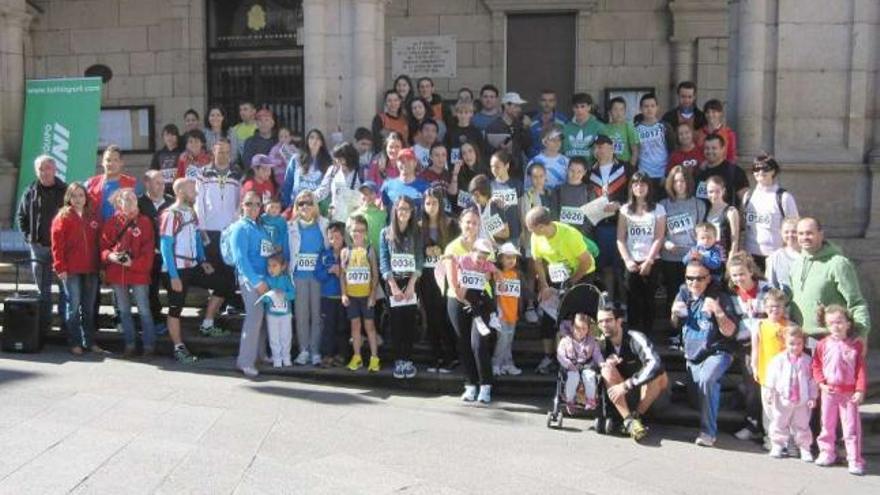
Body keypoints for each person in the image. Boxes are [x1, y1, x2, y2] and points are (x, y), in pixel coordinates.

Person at [671, 259, 739, 447]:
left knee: (707, 380)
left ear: (709, 279)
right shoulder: (683, 293)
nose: (694, 283)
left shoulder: (720, 297)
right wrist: (674, 313)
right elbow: (674, 323)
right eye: (689, 278)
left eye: (699, 278)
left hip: (718, 351)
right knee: (697, 400)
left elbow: (731, 332)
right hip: (693, 354)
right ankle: (735, 397)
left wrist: (718, 312)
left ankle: (708, 432)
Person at [526, 206, 595, 374]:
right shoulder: (536, 237)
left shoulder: (570, 235)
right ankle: (548, 357)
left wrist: (571, 283)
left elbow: (586, 262)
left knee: (576, 317)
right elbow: (538, 262)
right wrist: (544, 286)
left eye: (533, 229)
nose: (531, 233)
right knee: (548, 317)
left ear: (542, 226)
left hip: (581, 275)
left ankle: (580, 358)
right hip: (556, 277)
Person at [789, 217, 870, 347]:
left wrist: (861, 334)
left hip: (831, 340)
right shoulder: (796, 264)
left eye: (809, 233)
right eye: (801, 233)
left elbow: (856, 302)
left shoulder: (838, 263)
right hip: (801, 341)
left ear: (821, 234)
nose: (805, 237)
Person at [158, 178, 212, 363]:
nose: (196, 194)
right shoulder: (170, 214)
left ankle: (208, 324)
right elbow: (165, 246)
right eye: (192, 190)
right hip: (176, 269)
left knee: (222, 284)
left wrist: (202, 259)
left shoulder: (190, 212)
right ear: (180, 192)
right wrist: (173, 276)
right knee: (176, 308)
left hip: (192, 266)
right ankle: (178, 347)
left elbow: (196, 237)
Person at [597, 305, 669, 440]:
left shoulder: (635, 337)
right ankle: (629, 421)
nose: (603, 325)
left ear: (619, 321)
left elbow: (655, 364)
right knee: (606, 369)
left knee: (659, 374)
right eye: (600, 321)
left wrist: (626, 385)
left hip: (653, 397)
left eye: (608, 320)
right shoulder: (601, 343)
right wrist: (605, 363)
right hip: (626, 396)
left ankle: (637, 416)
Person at [100, 188, 156, 358]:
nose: (131, 201)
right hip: (118, 273)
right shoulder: (111, 222)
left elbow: (148, 251)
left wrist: (134, 263)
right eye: (126, 199)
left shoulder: (145, 222)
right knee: (123, 311)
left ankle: (149, 346)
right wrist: (111, 256)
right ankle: (130, 345)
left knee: (144, 310)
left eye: (133, 198)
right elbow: (103, 248)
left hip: (138, 273)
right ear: (119, 203)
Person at [812, 305, 868, 475]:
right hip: (829, 392)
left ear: (848, 324)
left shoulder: (855, 345)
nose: (836, 326)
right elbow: (816, 365)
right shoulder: (822, 344)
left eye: (839, 322)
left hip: (849, 394)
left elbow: (860, 369)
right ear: (826, 325)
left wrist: (859, 390)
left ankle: (854, 459)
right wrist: (821, 382)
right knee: (827, 425)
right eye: (831, 323)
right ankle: (827, 452)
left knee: (851, 428)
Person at [17, 155, 67, 335]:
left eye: (48, 168)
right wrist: (29, 237)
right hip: (38, 247)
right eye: (41, 169)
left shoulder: (65, 190)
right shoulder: (29, 191)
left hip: (61, 248)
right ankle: (45, 323)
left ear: (55, 170)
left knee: (65, 287)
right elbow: (21, 216)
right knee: (42, 288)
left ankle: (65, 323)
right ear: (36, 172)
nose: (45, 172)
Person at [726, 252, 774, 443]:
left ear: (751, 271)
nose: (739, 278)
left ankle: (771, 429)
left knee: (768, 386)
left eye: (742, 274)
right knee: (751, 386)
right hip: (746, 345)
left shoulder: (767, 289)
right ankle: (753, 424)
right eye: (734, 275)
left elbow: (778, 311)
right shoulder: (732, 294)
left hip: (768, 344)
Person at [194, 139, 240, 335]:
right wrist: (201, 227)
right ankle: (210, 318)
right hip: (209, 231)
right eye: (220, 152)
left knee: (228, 275)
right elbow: (198, 202)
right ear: (213, 152)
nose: (223, 155)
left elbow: (240, 202)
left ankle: (214, 316)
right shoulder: (202, 173)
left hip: (229, 232)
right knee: (215, 275)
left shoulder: (236, 174)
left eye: (227, 152)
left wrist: (236, 225)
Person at [445, 233, 498, 403]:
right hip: (460, 300)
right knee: (464, 344)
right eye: (467, 222)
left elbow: (495, 274)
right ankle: (470, 384)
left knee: (479, 343)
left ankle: (485, 385)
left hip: (482, 303)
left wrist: (493, 279)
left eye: (474, 223)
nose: (481, 259)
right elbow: (454, 276)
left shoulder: (487, 258)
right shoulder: (458, 253)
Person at [50, 183, 102, 355]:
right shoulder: (62, 217)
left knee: (88, 307)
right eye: (74, 196)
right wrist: (60, 267)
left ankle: (89, 341)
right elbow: (57, 246)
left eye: (81, 195)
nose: (78, 199)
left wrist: (101, 265)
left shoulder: (93, 216)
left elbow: (100, 243)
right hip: (71, 269)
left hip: (91, 269)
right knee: (73, 307)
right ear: (69, 198)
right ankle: (74, 342)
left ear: (86, 197)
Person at [227, 191, 272, 376]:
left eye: (257, 204)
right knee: (253, 319)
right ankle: (245, 361)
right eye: (249, 204)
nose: (253, 208)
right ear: (242, 206)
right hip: (251, 280)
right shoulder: (240, 228)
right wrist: (256, 282)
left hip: (264, 279)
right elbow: (241, 260)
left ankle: (259, 355)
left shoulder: (259, 227)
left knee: (261, 320)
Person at [379, 196, 423, 380]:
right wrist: (394, 287)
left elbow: (419, 260)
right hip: (394, 284)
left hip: (411, 283)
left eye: (407, 209)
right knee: (396, 323)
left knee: (409, 322)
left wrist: (411, 285)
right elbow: (384, 262)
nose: (403, 212)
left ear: (412, 211)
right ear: (395, 211)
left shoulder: (417, 232)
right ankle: (399, 360)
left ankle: (408, 359)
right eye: (400, 208)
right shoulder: (385, 233)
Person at [617, 172, 666, 336]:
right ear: (631, 187)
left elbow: (659, 237)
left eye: (643, 184)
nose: (639, 187)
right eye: (636, 184)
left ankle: (648, 335)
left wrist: (649, 261)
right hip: (631, 261)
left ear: (648, 187)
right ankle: (633, 336)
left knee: (649, 300)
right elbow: (620, 238)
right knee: (632, 300)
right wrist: (627, 260)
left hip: (651, 260)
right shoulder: (625, 210)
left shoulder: (658, 209)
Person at [419, 187, 459, 373]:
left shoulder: (451, 224)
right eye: (428, 203)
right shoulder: (419, 226)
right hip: (427, 276)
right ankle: (436, 357)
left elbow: (457, 249)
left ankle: (451, 357)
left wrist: (442, 252)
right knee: (431, 316)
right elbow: (414, 251)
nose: (431, 206)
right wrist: (424, 251)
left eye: (434, 203)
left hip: (446, 275)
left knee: (445, 316)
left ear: (441, 204)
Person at [288, 189, 330, 366]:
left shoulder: (325, 224)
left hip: (318, 276)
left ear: (315, 206)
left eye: (309, 202)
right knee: (301, 314)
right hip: (299, 276)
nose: (305, 206)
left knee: (317, 314)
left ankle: (315, 351)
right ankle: (304, 350)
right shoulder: (291, 226)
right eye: (301, 203)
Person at [764, 325, 817, 461]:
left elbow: (812, 380)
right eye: (791, 344)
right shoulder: (779, 360)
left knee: (802, 424)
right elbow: (772, 376)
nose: (795, 347)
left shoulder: (807, 360)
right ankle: (778, 444)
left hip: (802, 400)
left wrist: (812, 396)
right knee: (779, 421)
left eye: (799, 344)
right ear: (785, 343)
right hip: (783, 398)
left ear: (803, 343)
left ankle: (804, 448)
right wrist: (770, 391)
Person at [659, 165, 705, 320]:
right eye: (676, 181)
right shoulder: (663, 205)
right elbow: (659, 232)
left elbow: (702, 233)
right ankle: (674, 329)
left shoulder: (699, 204)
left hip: (691, 258)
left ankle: (691, 327)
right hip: (669, 257)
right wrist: (665, 243)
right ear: (671, 183)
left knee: (692, 293)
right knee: (673, 292)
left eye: (683, 181)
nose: (680, 184)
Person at [588, 136, 630, 300]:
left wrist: (620, 204)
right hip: (599, 226)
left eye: (602, 146)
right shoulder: (590, 172)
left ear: (612, 147)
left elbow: (636, 194)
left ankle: (624, 303)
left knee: (621, 266)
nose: (599, 150)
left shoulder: (626, 168)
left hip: (621, 224)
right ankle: (611, 301)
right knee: (605, 267)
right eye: (596, 147)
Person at [742, 154, 799, 271]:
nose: (760, 172)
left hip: (775, 255)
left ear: (773, 171)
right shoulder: (748, 196)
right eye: (756, 169)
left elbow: (795, 226)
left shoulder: (784, 197)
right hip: (751, 255)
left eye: (765, 168)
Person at [751, 288, 791, 449]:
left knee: (784, 408)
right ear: (765, 307)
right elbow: (756, 348)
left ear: (784, 308)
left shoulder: (789, 326)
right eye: (771, 306)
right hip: (766, 372)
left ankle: (786, 440)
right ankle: (771, 438)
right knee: (768, 407)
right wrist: (754, 367)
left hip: (785, 374)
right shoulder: (760, 325)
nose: (775, 310)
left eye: (778, 306)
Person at [342, 215, 381, 373]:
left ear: (366, 232)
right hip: (352, 296)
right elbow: (342, 275)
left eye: (361, 230)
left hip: (366, 296)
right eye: (354, 230)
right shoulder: (345, 251)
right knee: (355, 327)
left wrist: (373, 294)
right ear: (350, 232)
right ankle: (357, 356)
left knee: (370, 327)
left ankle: (374, 358)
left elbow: (375, 274)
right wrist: (344, 294)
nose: (357, 233)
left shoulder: (370, 250)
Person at [138, 170, 174, 330]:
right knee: (151, 290)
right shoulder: (139, 203)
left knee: (173, 288)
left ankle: (174, 320)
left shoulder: (172, 202)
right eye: (157, 183)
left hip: (169, 255)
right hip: (148, 255)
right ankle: (156, 320)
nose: (162, 186)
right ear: (147, 183)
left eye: (163, 182)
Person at [520, 162, 553, 323]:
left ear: (545, 176)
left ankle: (544, 302)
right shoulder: (527, 195)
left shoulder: (551, 193)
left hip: (550, 242)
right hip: (532, 242)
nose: (538, 179)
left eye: (541, 176)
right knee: (532, 273)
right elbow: (525, 221)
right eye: (534, 176)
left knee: (545, 273)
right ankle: (530, 305)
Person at [316, 222, 348, 368]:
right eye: (331, 238)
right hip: (327, 298)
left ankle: (341, 355)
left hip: (344, 298)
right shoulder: (324, 254)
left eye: (337, 237)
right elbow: (318, 274)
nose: (334, 240)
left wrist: (342, 271)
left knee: (342, 328)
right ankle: (327, 355)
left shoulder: (348, 253)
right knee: (328, 328)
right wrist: (329, 271)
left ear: (343, 237)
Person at [558, 313, 604, 411]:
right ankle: (570, 400)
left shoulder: (592, 341)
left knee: (590, 376)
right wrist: (568, 364)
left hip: (587, 365)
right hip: (571, 365)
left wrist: (601, 363)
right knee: (573, 377)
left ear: (588, 329)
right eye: (578, 328)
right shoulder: (566, 340)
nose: (581, 331)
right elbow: (560, 355)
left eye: (584, 329)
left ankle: (590, 399)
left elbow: (597, 354)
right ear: (572, 327)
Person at [85, 145, 138, 224]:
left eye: (115, 160)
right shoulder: (90, 184)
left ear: (121, 163)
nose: (111, 164)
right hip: (96, 231)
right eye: (108, 160)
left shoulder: (131, 184)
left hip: (122, 231)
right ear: (102, 162)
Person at [259, 254, 296, 369]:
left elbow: (293, 294)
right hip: (271, 315)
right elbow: (263, 297)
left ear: (283, 266)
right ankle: (276, 358)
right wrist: (270, 296)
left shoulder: (286, 279)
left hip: (286, 314)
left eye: (274, 266)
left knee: (286, 336)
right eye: (269, 266)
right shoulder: (267, 280)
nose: (271, 269)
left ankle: (286, 358)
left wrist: (283, 295)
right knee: (274, 337)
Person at [314, 141, 364, 223]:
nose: (338, 162)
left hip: (355, 218)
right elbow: (322, 191)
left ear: (349, 158)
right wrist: (309, 197)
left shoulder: (361, 172)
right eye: (336, 159)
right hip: (335, 216)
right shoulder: (332, 170)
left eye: (341, 159)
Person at [485, 92, 532, 179]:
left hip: (517, 174)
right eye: (516, 106)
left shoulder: (520, 124)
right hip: (499, 174)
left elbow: (527, 145)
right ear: (506, 106)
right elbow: (486, 152)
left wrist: (526, 128)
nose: (519, 109)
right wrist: (500, 149)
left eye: (519, 106)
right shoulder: (493, 127)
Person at [492, 242, 523, 376]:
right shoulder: (496, 274)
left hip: (513, 313)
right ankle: (496, 364)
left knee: (508, 340)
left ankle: (507, 364)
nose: (511, 260)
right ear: (500, 259)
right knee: (503, 339)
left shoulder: (516, 274)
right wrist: (497, 310)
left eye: (513, 258)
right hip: (501, 313)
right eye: (508, 257)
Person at [281, 128, 331, 209]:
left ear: (322, 143)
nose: (314, 140)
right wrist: (286, 204)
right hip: (297, 204)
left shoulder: (328, 162)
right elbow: (288, 182)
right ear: (307, 141)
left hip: (317, 206)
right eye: (311, 137)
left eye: (318, 138)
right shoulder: (296, 159)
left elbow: (329, 187)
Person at [634, 93, 673, 197]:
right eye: (646, 106)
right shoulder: (635, 129)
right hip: (644, 174)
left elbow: (672, 151)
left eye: (652, 106)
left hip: (662, 174)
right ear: (640, 108)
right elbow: (634, 152)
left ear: (657, 108)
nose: (649, 109)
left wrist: (667, 174)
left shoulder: (665, 126)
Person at [694, 134, 748, 207]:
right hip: (704, 217)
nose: (710, 151)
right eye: (707, 148)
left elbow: (745, 199)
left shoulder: (735, 171)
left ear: (723, 149)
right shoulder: (700, 172)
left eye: (714, 148)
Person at [469, 174, 518, 245]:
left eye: (477, 195)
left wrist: (489, 230)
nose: (474, 198)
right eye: (473, 195)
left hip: (492, 250)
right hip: (478, 248)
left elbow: (505, 233)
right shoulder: (474, 207)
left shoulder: (494, 207)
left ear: (485, 192)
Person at [552, 155, 593, 238]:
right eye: (572, 170)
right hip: (562, 235)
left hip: (583, 237)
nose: (575, 174)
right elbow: (554, 213)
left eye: (579, 171)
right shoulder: (558, 190)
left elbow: (591, 216)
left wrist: (581, 234)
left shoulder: (589, 190)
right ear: (567, 170)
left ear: (584, 172)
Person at [704, 175, 741, 257]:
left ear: (723, 191)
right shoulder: (706, 210)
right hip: (708, 256)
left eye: (717, 191)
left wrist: (732, 254)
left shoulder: (731, 211)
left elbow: (735, 238)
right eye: (711, 192)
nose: (714, 195)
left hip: (724, 256)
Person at [448, 141, 488, 213]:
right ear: (461, 157)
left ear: (476, 152)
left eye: (470, 151)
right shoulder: (458, 173)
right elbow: (452, 194)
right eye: (464, 153)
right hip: (462, 214)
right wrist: (455, 174)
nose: (468, 155)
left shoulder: (486, 172)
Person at [563, 92, 605, 160]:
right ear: (572, 108)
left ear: (589, 107)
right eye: (576, 107)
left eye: (582, 106)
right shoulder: (566, 128)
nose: (579, 110)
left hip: (591, 169)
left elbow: (604, 151)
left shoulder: (599, 127)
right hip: (570, 169)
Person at [528, 89, 567, 158]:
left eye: (550, 101)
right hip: (536, 161)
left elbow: (565, 144)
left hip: (556, 162)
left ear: (555, 102)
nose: (547, 104)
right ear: (539, 102)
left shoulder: (563, 121)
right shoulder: (532, 121)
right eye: (544, 100)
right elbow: (529, 144)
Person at [764, 217, 800, 293]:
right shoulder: (774, 257)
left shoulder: (809, 255)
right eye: (786, 232)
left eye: (794, 232)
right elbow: (771, 285)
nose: (790, 235)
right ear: (781, 233)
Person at [445, 99, 486, 164]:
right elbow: (446, 149)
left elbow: (481, 151)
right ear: (455, 113)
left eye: (466, 112)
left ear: (471, 113)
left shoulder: (476, 132)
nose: (463, 116)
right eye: (460, 112)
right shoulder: (450, 131)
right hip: (455, 166)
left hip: (472, 165)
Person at [527, 126, 568, 190]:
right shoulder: (534, 162)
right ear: (544, 142)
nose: (557, 142)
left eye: (559, 139)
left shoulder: (567, 161)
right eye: (553, 140)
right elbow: (527, 188)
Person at [350, 181, 387, 250]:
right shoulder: (354, 215)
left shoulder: (383, 214)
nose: (367, 196)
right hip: (361, 257)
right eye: (364, 193)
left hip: (380, 256)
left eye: (371, 193)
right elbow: (349, 238)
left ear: (376, 194)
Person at [605, 97, 640, 166]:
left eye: (621, 109)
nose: (619, 113)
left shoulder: (629, 127)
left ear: (625, 111)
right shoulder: (604, 128)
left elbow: (635, 151)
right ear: (609, 112)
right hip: (608, 166)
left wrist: (630, 168)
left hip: (625, 166)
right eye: (615, 109)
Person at [149, 124, 182, 192]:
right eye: (167, 135)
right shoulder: (158, 154)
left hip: (179, 189)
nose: (169, 137)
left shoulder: (183, 153)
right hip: (162, 190)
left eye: (172, 135)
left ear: (177, 137)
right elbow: (152, 172)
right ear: (163, 137)